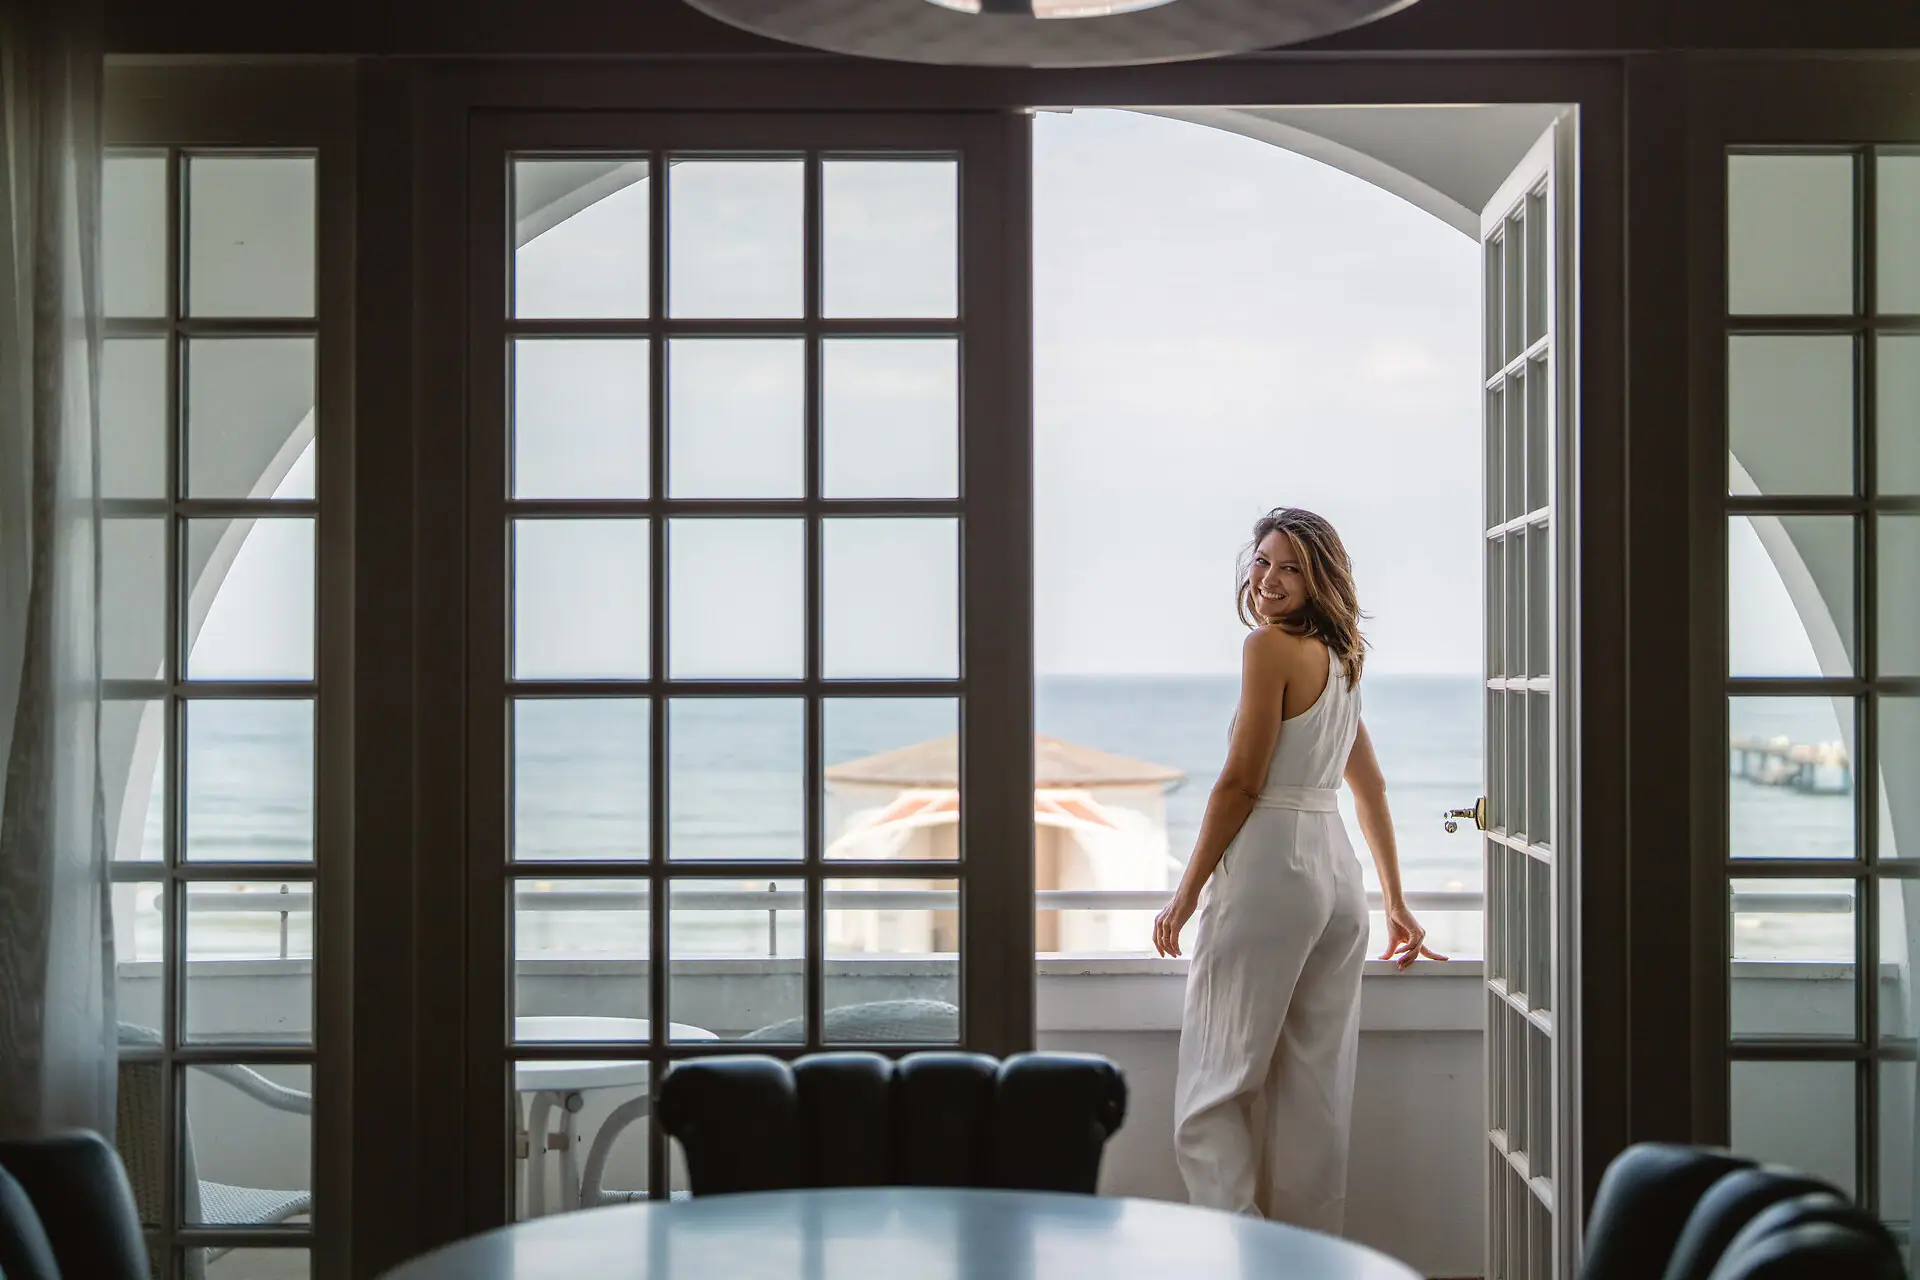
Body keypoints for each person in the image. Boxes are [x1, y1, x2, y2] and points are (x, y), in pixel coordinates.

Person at [1153, 506, 1442, 1233]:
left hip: (1272, 868)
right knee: (1313, 1090)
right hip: (1336, 875)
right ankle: (1313, 1263)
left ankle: (1239, 1262)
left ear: (1319, 579)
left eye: (1289, 568)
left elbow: (1240, 783)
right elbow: (1367, 784)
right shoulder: (1344, 658)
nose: (1268, 580)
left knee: (1214, 1091)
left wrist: (1183, 898)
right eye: (1261, 562)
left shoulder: (1269, 649)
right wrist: (1394, 901)